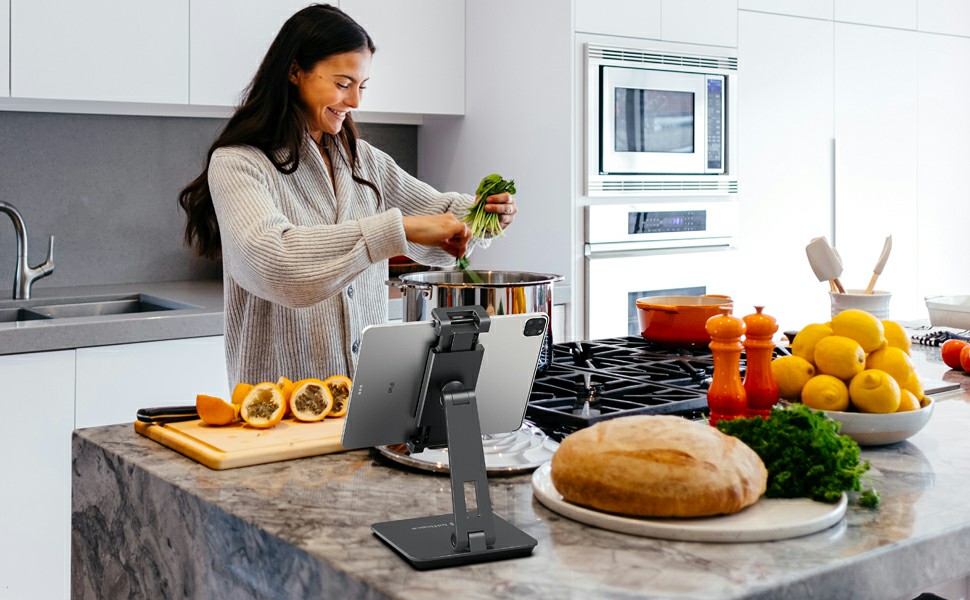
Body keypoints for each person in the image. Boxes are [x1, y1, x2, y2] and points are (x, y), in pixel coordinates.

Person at [178, 3, 517, 389]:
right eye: (343, 84)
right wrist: (395, 230)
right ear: (294, 72)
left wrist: (483, 214)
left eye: (362, 86)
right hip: (279, 405)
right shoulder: (239, 163)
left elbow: (438, 214)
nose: (355, 101)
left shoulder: (363, 161)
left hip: (369, 396)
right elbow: (275, 262)